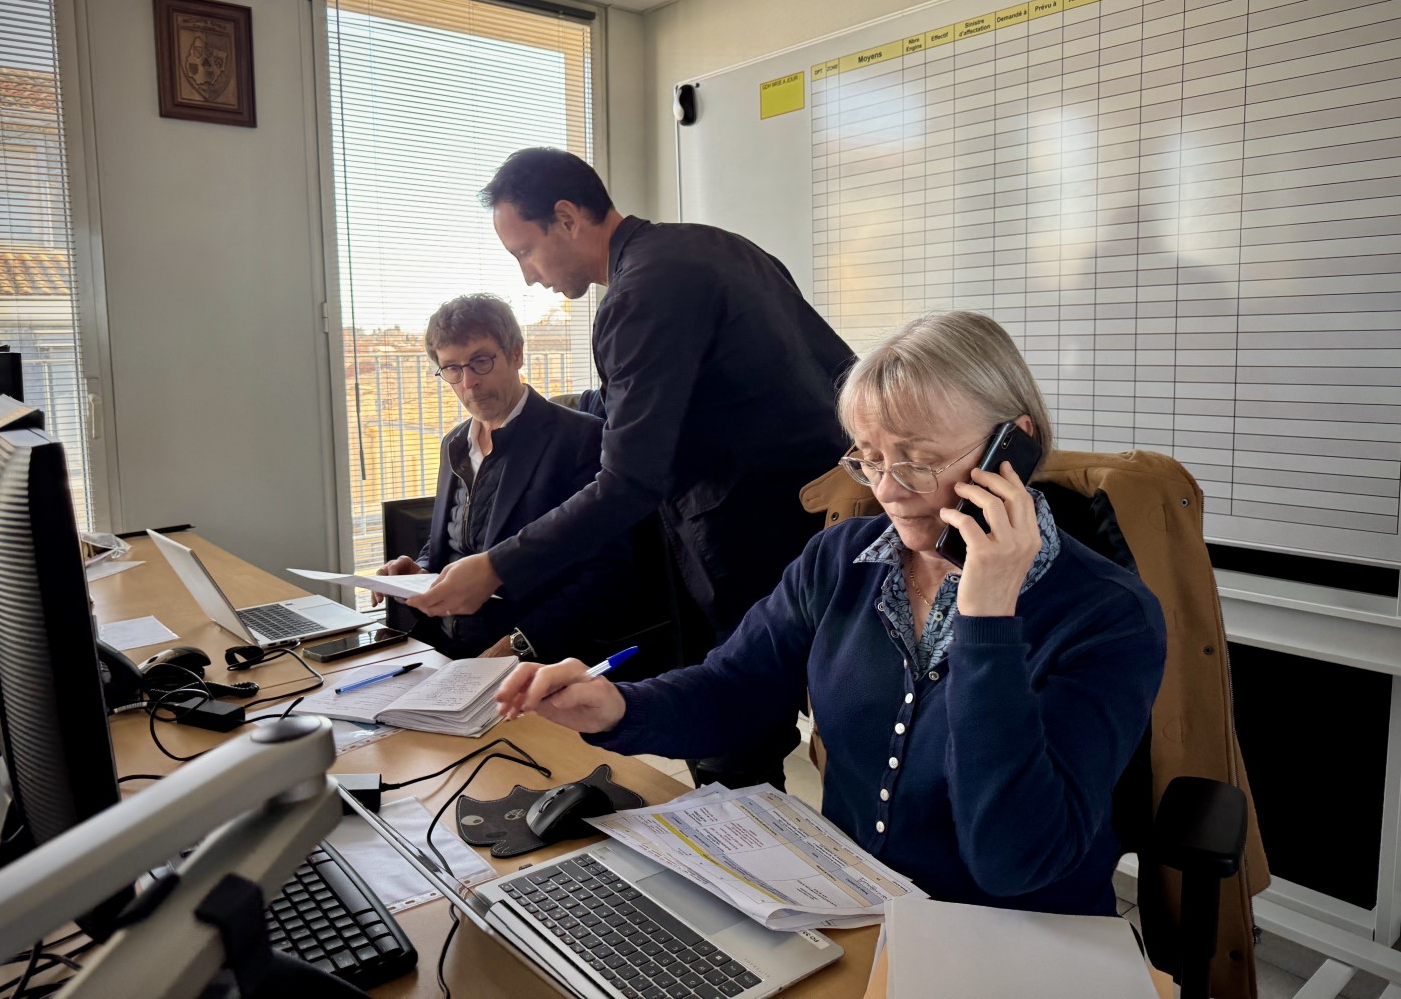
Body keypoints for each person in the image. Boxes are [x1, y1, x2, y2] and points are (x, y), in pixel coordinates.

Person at [495, 310, 1167, 916]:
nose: (887, 490)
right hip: (856, 910)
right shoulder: (841, 559)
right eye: (869, 459)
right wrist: (617, 707)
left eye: (920, 461)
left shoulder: (1108, 614)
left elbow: (1015, 860)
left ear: (1012, 447)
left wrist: (987, 619)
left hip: (1018, 940)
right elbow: (735, 688)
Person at [407, 148, 856, 789]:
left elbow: (629, 483)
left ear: (567, 218)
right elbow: (833, 378)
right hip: (827, 535)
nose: (529, 277)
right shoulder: (721, 249)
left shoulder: (637, 294)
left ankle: (749, 852)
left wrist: (496, 566)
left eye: (525, 252)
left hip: (746, 547)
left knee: (732, 748)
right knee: (818, 735)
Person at [376, 293, 649, 667]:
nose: (468, 382)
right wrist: (421, 572)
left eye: (480, 361)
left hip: (531, 660)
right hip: (441, 651)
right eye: (452, 368)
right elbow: (458, 538)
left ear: (516, 354)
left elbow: (609, 574)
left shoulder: (580, 438)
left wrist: (520, 644)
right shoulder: (454, 443)